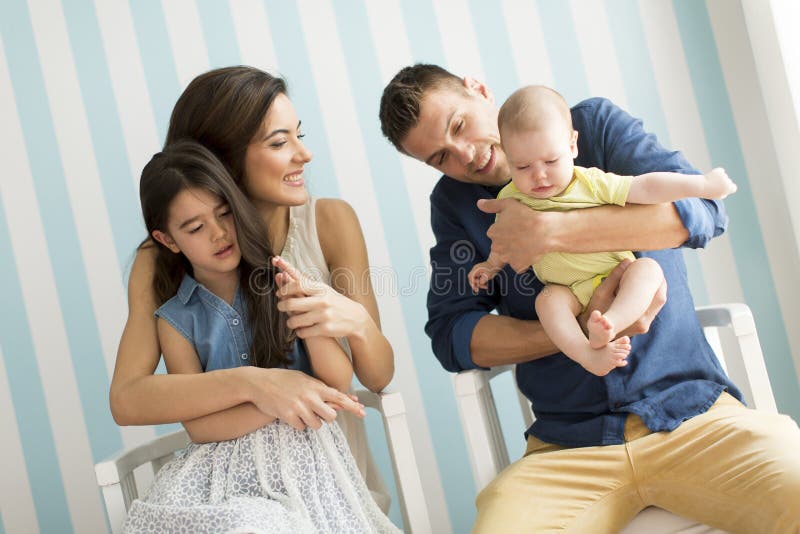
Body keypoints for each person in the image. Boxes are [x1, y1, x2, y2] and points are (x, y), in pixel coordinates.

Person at [379, 64, 800, 532]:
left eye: (458, 125)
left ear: (478, 89)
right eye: (440, 157)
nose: (466, 155)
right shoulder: (456, 205)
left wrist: (552, 232)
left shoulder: (592, 128)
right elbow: (453, 335)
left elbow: (700, 212)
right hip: (568, 448)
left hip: (691, 417)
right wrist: (574, 334)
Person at [110, 66, 393, 511]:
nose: (304, 154)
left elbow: (376, 376)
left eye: (298, 135)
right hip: (233, 493)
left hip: (331, 488)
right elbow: (128, 399)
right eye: (279, 142)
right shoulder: (160, 261)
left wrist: (356, 322)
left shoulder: (330, 222)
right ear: (222, 161)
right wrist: (257, 384)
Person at [468, 85, 737, 376]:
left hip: (616, 271)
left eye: (551, 161)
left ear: (572, 146)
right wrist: (490, 265)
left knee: (648, 270)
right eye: (523, 167)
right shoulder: (510, 199)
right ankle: (588, 355)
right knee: (546, 303)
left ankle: (610, 322)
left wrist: (702, 186)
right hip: (567, 289)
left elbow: (646, 187)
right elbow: (503, 243)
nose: (539, 175)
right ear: (509, 157)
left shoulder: (590, 182)